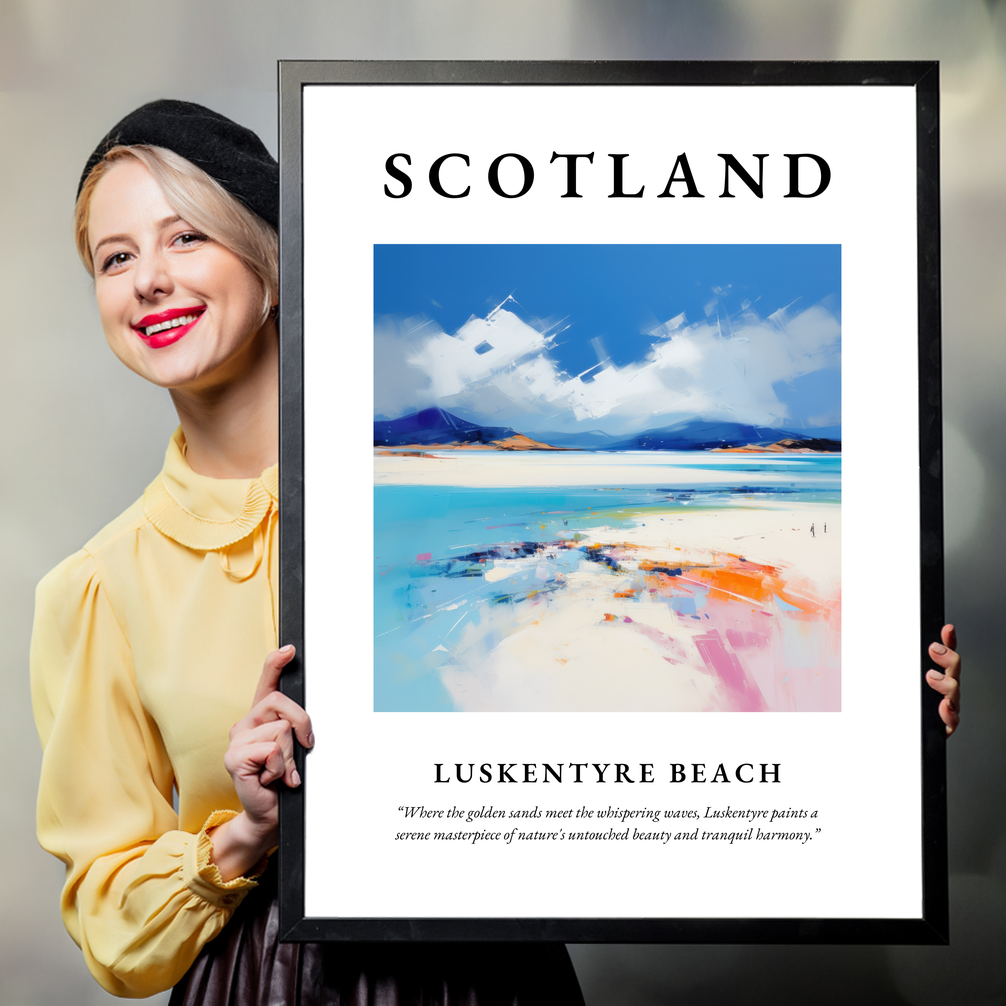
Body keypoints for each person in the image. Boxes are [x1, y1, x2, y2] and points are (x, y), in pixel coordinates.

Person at [30, 100, 585, 1004]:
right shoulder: (97, 586)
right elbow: (110, 924)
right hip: (263, 981)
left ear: (273, 263)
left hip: (490, 971)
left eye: (186, 237)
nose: (149, 281)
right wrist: (246, 833)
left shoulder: (452, 497)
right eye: (115, 258)